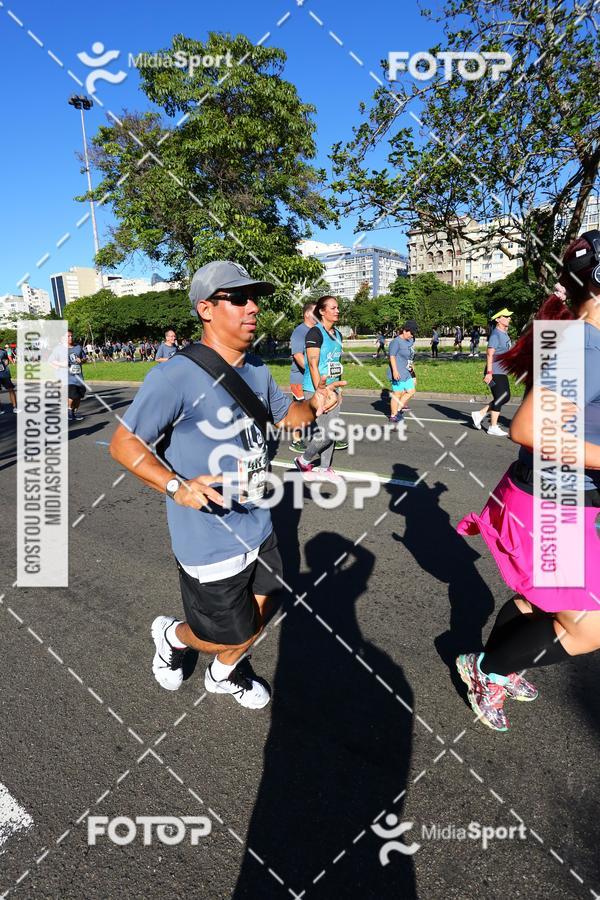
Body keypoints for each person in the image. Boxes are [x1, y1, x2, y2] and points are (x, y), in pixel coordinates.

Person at [109, 260, 343, 709]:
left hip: (259, 521)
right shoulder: (174, 376)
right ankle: (172, 635)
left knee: (267, 603)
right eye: (238, 298)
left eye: (254, 298)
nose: (252, 307)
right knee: (226, 634)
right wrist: (176, 486)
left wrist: (315, 403)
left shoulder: (255, 368)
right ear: (206, 309)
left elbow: (287, 420)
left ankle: (221, 676)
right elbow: (124, 444)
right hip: (209, 539)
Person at [455, 232, 600, 732]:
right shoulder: (582, 343)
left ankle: (501, 664)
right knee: (589, 627)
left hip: (568, 497)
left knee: (541, 602)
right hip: (550, 499)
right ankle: (487, 669)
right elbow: (529, 429)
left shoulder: (586, 340)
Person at [294, 295, 345, 483]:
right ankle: (303, 460)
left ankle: (324, 468)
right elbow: (313, 364)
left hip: (333, 389)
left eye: (337, 307)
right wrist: (321, 392)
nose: (337, 311)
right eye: (333, 308)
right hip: (316, 389)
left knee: (333, 430)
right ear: (322, 312)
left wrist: (339, 391)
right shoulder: (315, 333)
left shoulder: (338, 334)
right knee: (327, 433)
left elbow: (337, 363)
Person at [471, 309, 513, 437]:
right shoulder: (496, 335)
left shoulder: (504, 333)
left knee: (503, 397)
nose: (509, 318)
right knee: (503, 396)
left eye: (509, 316)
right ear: (498, 319)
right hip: (494, 371)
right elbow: (489, 354)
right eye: (506, 316)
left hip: (501, 371)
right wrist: (489, 373)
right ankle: (492, 427)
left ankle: (480, 414)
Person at [288, 301, 316, 454]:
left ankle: (326, 436)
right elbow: (298, 355)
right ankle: (296, 440)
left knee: (320, 407)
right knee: (300, 411)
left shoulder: (317, 331)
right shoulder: (299, 332)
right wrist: (312, 371)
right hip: (300, 379)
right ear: (307, 314)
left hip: (313, 378)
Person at [387, 323, 417, 424]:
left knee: (411, 391)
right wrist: (395, 371)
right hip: (398, 372)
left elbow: (410, 356)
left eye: (413, 334)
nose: (412, 335)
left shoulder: (409, 341)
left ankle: (398, 410)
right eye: (411, 333)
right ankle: (393, 415)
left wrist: (412, 368)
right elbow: (392, 357)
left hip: (406, 371)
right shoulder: (396, 342)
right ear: (404, 331)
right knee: (397, 394)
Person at [0, 343, 18, 415]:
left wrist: (4, 366)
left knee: (11, 389)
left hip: (4, 373)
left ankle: (15, 407)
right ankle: (0, 409)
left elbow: (7, 360)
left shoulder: (3, 351)